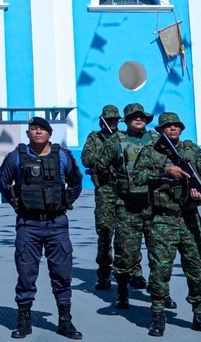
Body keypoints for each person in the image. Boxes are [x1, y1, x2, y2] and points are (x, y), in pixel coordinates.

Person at [130, 113, 201, 337]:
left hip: (190, 217)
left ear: (181, 129)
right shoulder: (151, 151)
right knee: (161, 268)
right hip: (163, 218)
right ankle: (158, 315)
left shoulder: (192, 151)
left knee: (199, 265)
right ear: (161, 130)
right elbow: (137, 177)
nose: (172, 129)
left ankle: (200, 314)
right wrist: (164, 171)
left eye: (176, 126)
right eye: (168, 126)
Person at [0, 117, 83, 339]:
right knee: (26, 273)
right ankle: (23, 320)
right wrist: (18, 204)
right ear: (27, 134)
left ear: (50, 133)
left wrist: (66, 202)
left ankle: (65, 320)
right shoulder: (16, 157)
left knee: (62, 274)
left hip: (57, 224)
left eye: (42, 129)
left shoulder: (63, 156)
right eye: (33, 129)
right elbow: (4, 184)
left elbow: (76, 182)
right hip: (29, 224)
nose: (38, 132)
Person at [113, 103, 165, 312]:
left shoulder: (157, 140)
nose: (138, 119)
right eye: (133, 116)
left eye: (141, 116)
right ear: (126, 120)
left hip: (154, 205)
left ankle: (160, 293)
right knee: (126, 253)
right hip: (128, 205)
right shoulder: (116, 141)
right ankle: (123, 293)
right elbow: (100, 164)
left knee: (159, 253)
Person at [78, 104, 122, 291]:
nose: (112, 124)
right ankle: (104, 273)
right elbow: (87, 159)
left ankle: (130, 272)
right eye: (109, 120)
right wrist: (107, 155)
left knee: (129, 234)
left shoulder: (123, 137)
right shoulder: (94, 138)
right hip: (105, 190)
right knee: (105, 232)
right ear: (102, 121)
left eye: (115, 120)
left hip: (125, 189)